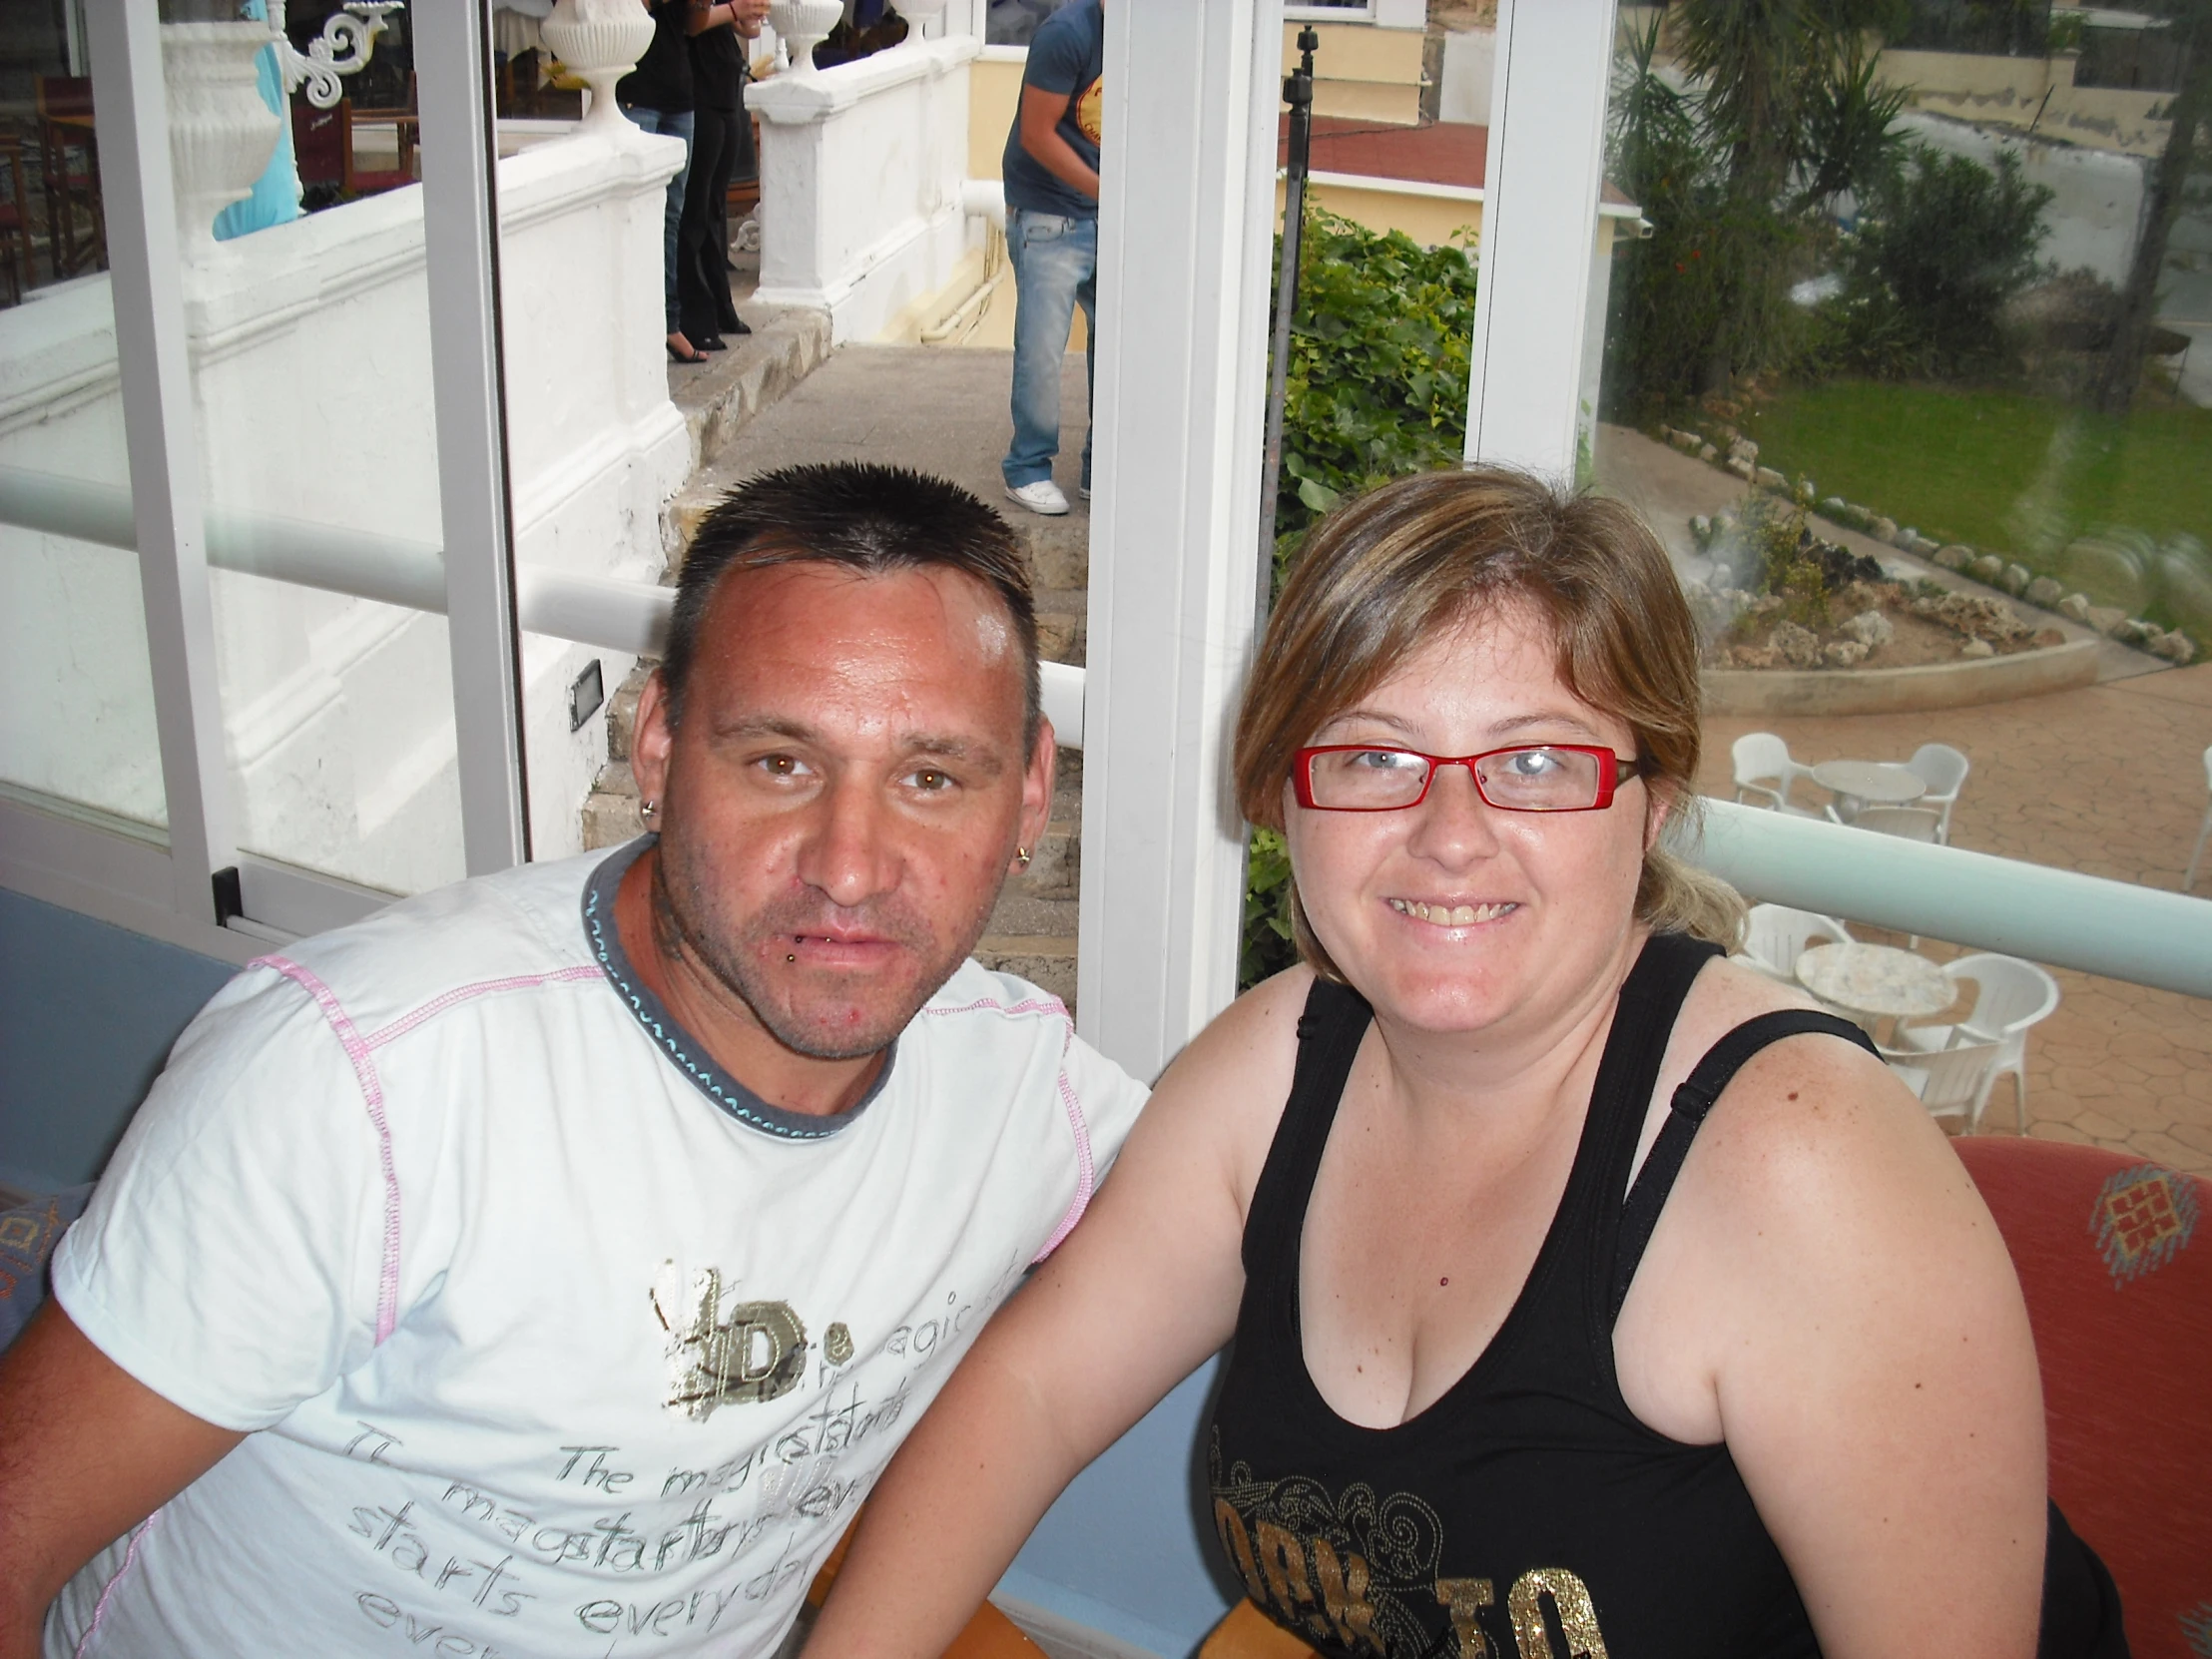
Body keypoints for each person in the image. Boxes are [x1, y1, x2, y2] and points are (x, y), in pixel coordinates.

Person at [802, 468, 2127, 1659]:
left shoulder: (1794, 1158)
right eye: (1376, 756)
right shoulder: (1274, 1067)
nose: (1449, 832)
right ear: (1286, 796)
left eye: (1537, 761)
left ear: (1649, 800)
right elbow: (1030, 1395)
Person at [0, 463, 1148, 1659]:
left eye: (929, 778)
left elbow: (1271, 1176)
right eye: (778, 763)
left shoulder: (1022, 1090)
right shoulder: (367, 1079)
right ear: (655, 747)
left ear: (1027, 796)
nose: (848, 868)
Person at [997, 0, 1102, 517]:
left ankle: (1100, 467)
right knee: (1042, 351)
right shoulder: (1067, 33)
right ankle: (1028, 468)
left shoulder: (1151, 39)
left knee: (1122, 353)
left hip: (1114, 215)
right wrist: (1111, 193)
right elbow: (1036, 135)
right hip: (1049, 214)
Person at [618, 0, 705, 364]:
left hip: (679, 93)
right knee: (634, 217)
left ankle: (669, 322)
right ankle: (635, 327)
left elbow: (693, 26)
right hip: (638, 93)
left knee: (672, 216)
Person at [680, 0, 766, 351]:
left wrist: (749, 16)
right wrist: (735, 10)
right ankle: (696, 318)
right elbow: (692, 22)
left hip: (725, 83)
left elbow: (746, 26)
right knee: (696, 208)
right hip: (697, 87)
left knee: (715, 208)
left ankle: (721, 305)